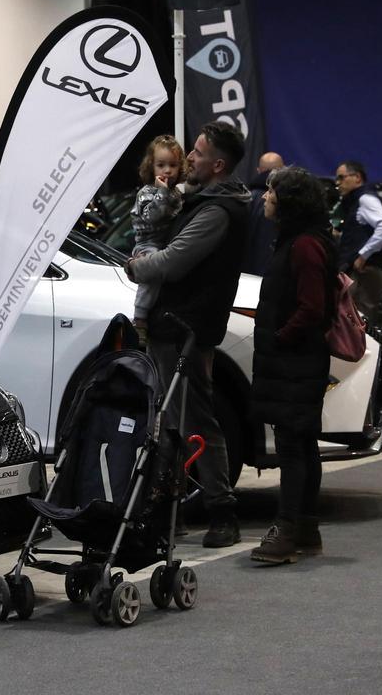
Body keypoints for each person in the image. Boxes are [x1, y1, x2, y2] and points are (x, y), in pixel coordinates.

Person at [126, 122, 251, 548]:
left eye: (197, 153)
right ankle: (169, 511)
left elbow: (173, 263)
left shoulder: (218, 210)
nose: (189, 158)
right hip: (177, 326)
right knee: (172, 421)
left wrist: (135, 266)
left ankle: (221, 510)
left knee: (195, 419)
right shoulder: (205, 201)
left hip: (187, 329)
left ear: (217, 164)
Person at [248, 166, 335, 564]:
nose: (265, 197)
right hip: (296, 360)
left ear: (290, 201)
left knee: (293, 448)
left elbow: (312, 308)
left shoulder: (304, 245)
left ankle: (287, 530)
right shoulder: (301, 240)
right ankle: (306, 530)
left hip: (295, 361)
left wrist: (279, 338)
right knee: (301, 443)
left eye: (271, 191)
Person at [129, 135, 186, 342]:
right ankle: (140, 318)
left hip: (166, 245)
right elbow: (152, 217)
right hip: (147, 245)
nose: (167, 170)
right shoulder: (147, 192)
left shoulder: (175, 194)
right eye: (161, 165)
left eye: (173, 165)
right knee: (152, 271)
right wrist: (161, 193)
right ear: (151, 167)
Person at [333, 160, 382, 323]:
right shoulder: (354, 200)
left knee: (360, 316)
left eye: (341, 177)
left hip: (364, 271)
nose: (337, 183)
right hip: (358, 270)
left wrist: (363, 256)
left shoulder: (365, 198)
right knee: (352, 315)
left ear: (357, 177)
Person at [242, 151, 285, 275]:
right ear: (283, 170)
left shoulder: (244, 199)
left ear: (258, 170)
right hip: (272, 274)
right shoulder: (288, 202)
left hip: (244, 274)